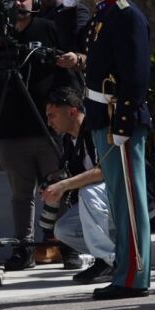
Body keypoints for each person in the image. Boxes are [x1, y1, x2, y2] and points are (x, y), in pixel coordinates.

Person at [79, 0, 152, 301]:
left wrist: (122, 121)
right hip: (102, 116)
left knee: (129, 202)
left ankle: (133, 276)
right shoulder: (104, 14)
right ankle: (125, 271)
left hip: (116, 119)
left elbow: (135, 77)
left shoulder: (126, 15)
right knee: (117, 200)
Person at [0, 0, 73, 271]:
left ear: (32, 1)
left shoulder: (47, 28)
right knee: (21, 195)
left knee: (58, 187)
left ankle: (67, 244)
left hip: (47, 126)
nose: (17, 5)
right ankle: (23, 248)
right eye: (11, 0)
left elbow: (64, 69)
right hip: (10, 129)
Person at [40, 87, 114, 285]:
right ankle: (117, 257)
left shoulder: (97, 128)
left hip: (129, 194)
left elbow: (106, 170)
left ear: (72, 111)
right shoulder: (68, 140)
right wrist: (55, 182)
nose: (49, 122)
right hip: (104, 200)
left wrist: (64, 185)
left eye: (52, 115)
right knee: (64, 229)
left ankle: (107, 261)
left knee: (88, 193)